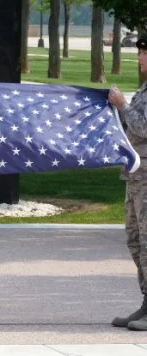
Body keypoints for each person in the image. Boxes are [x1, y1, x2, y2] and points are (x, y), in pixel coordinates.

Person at [109, 37, 147, 330]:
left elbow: (143, 126)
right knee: (135, 241)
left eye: (145, 53)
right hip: (136, 176)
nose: (141, 58)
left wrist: (122, 105)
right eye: (141, 52)